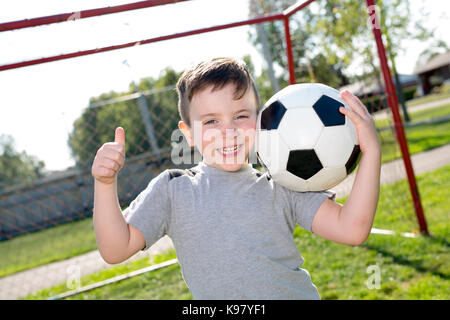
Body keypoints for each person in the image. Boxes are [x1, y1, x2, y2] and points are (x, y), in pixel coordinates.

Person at [92, 57, 381, 299]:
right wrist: (105, 185)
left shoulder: (282, 182)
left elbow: (352, 229)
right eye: (211, 121)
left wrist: (371, 152)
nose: (228, 130)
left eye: (241, 116)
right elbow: (116, 249)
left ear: (260, 120)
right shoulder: (174, 190)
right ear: (189, 133)